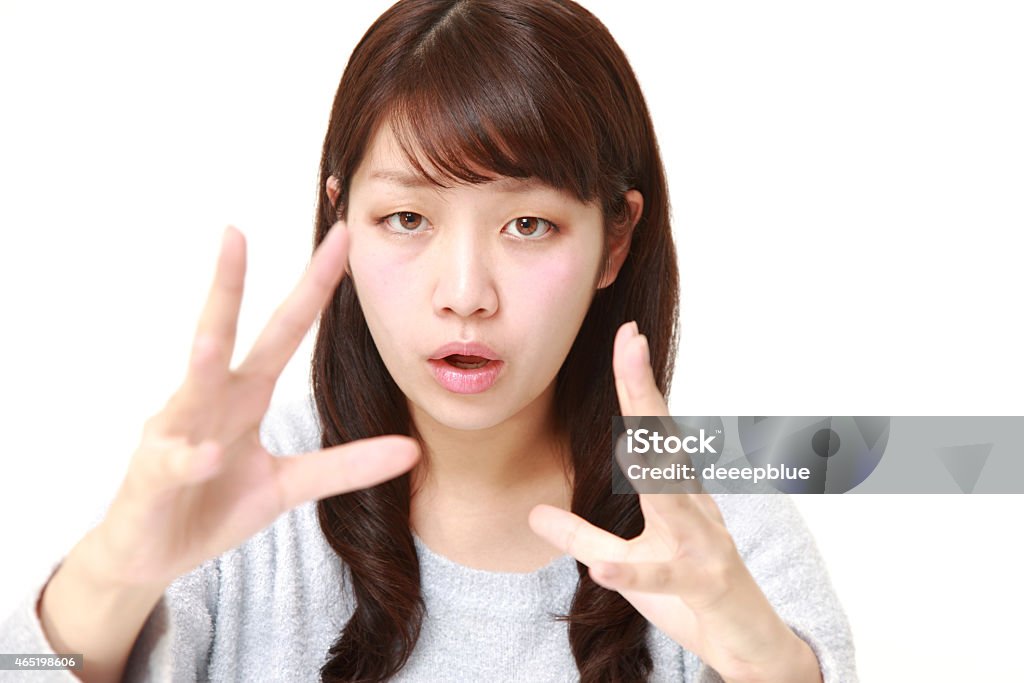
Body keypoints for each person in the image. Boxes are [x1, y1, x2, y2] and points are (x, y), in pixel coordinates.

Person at [0, 1, 857, 681]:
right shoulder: (246, 490)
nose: (464, 296)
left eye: (528, 224)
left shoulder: (710, 515)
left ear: (616, 241)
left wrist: (762, 667)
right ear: (341, 220)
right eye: (405, 218)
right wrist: (114, 568)